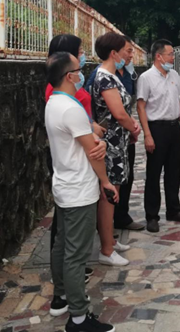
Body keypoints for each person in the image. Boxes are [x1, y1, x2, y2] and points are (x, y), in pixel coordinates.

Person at [45, 52, 115, 332]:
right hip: (79, 189)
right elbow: (92, 151)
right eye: (79, 69)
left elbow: (87, 139)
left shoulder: (54, 102)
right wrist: (106, 181)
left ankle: (62, 296)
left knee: (62, 245)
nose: (82, 72)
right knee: (75, 255)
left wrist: (98, 141)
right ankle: (78, 317)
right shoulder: (70, 108)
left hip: (64, 184)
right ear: (69, 76)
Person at [45, 34, 106, 283]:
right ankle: (73, 298)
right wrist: (105, 179)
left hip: (71, 168)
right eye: (80, 53)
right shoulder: (64, 101)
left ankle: (62, 289)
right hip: (76, 176)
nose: (83, 58)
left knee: (65, 239)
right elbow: (90, 148)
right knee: (73, 248)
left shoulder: (58, 99)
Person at [92, 32, 140, 265]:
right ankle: (106, 250)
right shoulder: (105, 78)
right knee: (108, 195)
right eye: (126, 51)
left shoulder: (113, 76)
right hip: (110, 145)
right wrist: (134, 128)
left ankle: (110, 238)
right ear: (114, 53)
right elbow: (119, 114)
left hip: (118, 143)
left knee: (115, 191)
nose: (130, 55)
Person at [137, 39, 180, 232]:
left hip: (173, 127)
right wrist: (147, 134)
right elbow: (141, 107)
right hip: (157, 128)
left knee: (174, 172)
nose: (173, 58)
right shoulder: (146, 78)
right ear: (158, 56)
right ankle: (152, 216)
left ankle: (174, 210)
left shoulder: (174, 75)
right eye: (170, 54)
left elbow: (178, 102)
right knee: (154, 173)